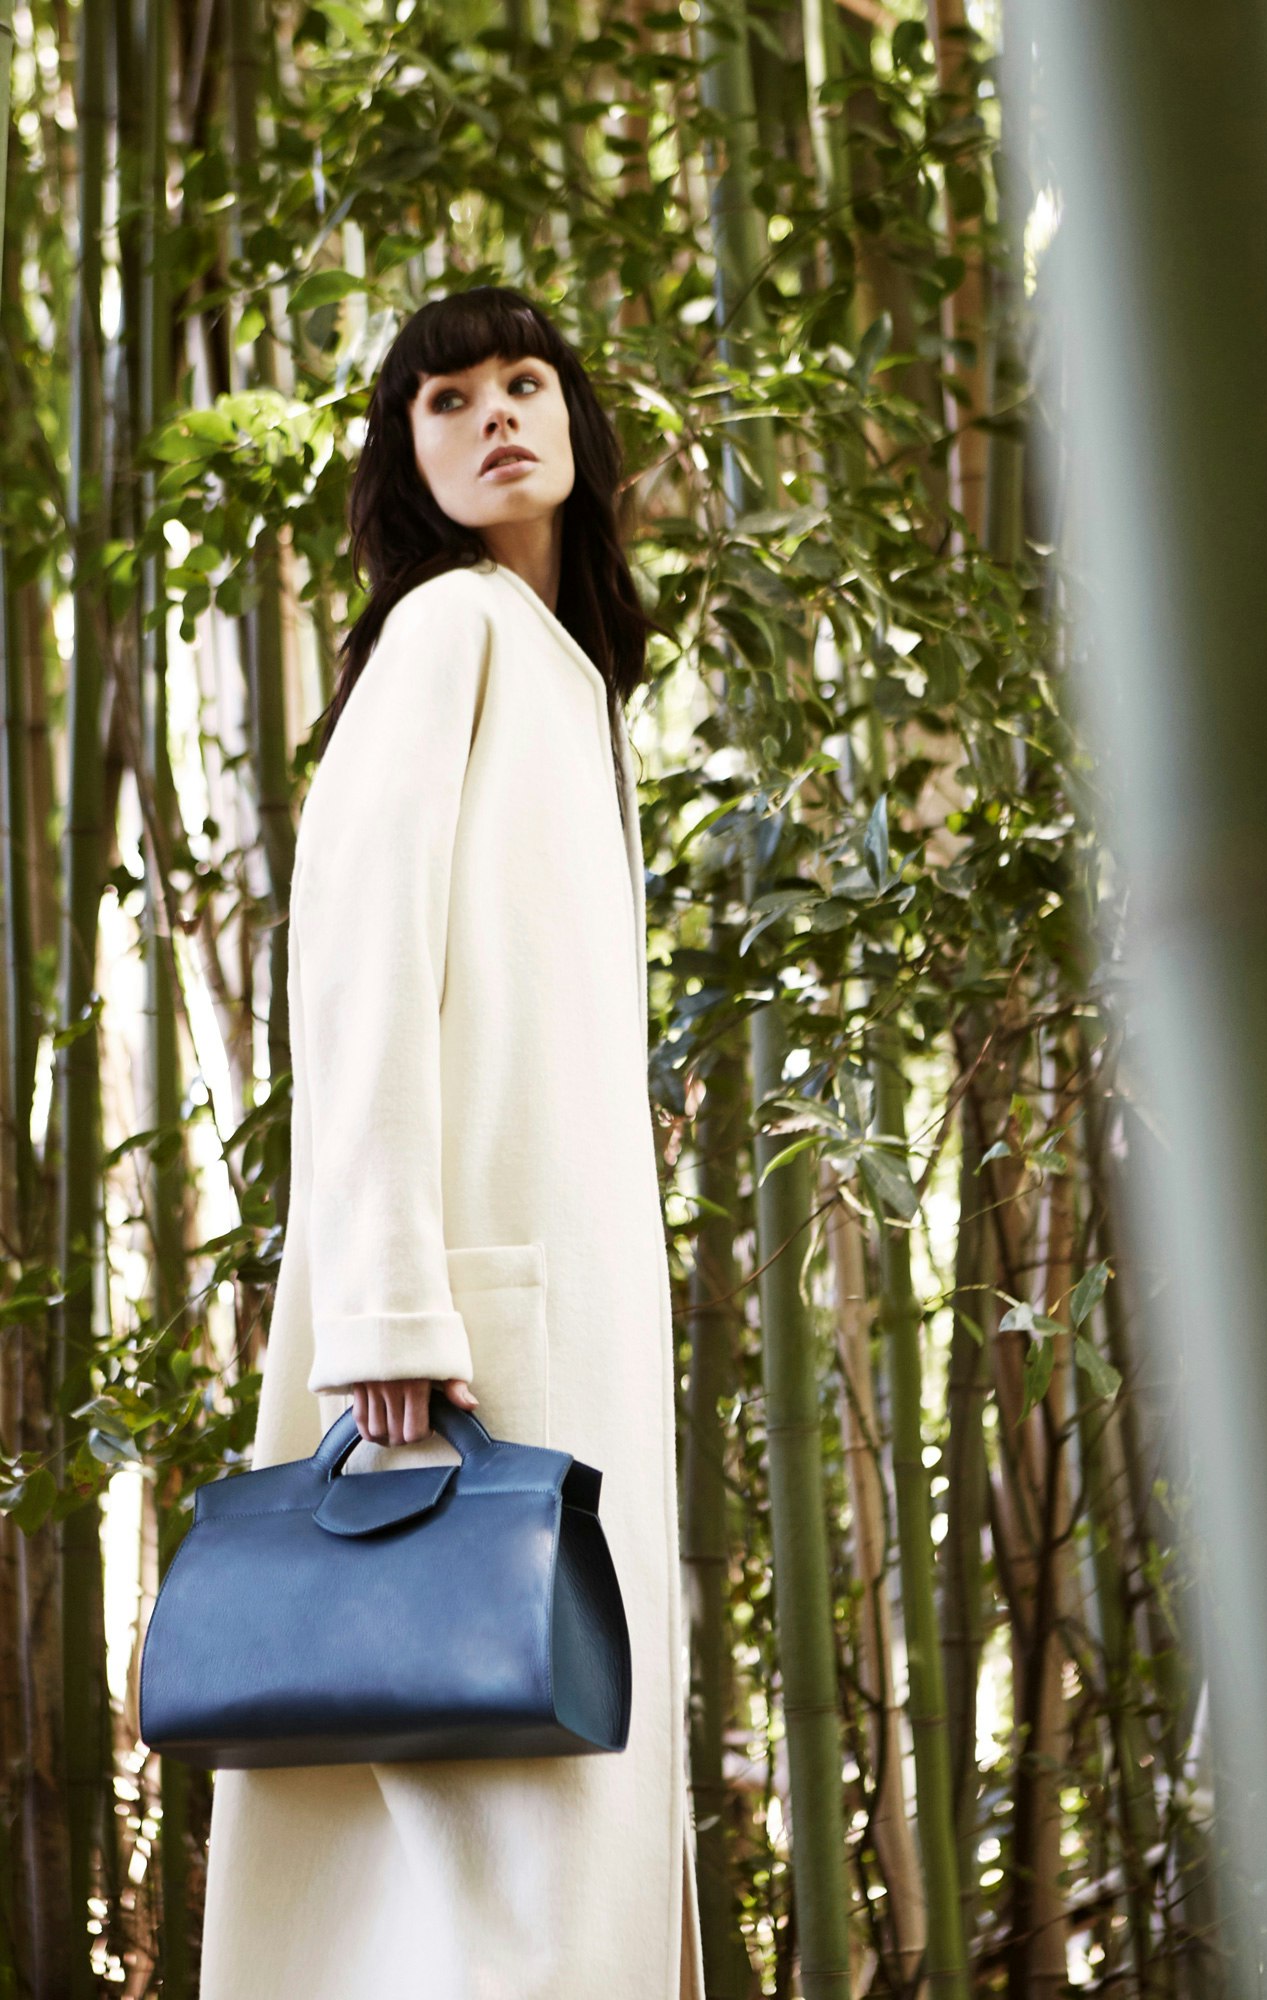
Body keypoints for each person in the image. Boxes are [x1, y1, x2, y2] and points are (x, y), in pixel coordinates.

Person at [196, 286, 706, 1999]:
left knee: (537, 1821)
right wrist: (392, 1313)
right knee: (484, 1840)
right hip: (464, 1338)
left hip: (549, 1319)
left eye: (523, 381)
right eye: (444, 398)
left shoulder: (572, 677)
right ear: (404, 458)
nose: (494, 414)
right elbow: (350, 966)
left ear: (574, 420)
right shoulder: (448, 631)